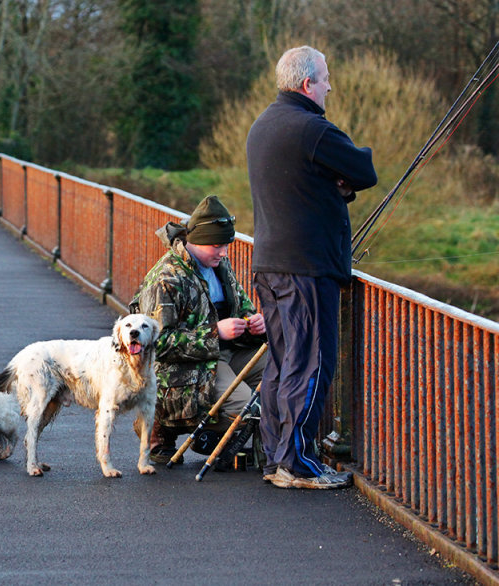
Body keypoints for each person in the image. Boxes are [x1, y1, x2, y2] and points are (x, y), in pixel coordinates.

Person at [246, 46, 378, 489]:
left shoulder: (264, 124)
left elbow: (300, 184)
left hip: (269, 263)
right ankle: (298, 464)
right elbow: (363, 168)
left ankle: (276, 459)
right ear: (307, 84)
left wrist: (331, 183)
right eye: (325, 78)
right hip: (307, 267)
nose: (329, 86)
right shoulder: (312, 128)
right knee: (314, 363)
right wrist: (344, 178)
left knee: (282, 365)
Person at [130, 195, 267, 470]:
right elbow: (158, 342)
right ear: (196, 241)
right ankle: (172, 427)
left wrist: (253, 322)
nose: (224, 253)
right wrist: (215, 333)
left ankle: (272, 452)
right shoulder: (166, 278)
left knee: (288, 371)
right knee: (247, 408)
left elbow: (242, 305)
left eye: (227, 245)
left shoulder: (218, 265)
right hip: (182, 369)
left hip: (224, 355)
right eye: (217, 246)